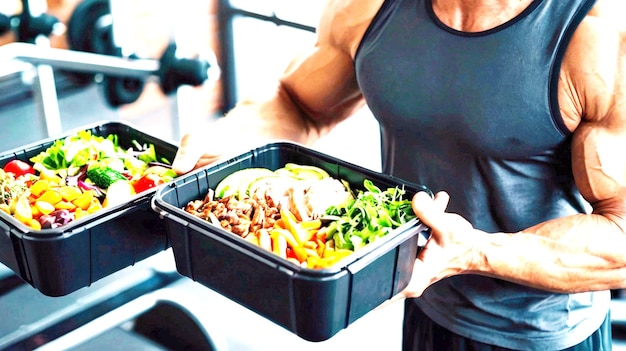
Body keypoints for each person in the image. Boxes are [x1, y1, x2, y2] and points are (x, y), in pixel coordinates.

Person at [172, 0, 626, 349]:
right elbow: (298, 102)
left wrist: (478, 253)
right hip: (422, 303)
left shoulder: (597, 36)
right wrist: (231, 136)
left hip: (543, 333)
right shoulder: (370, 8)